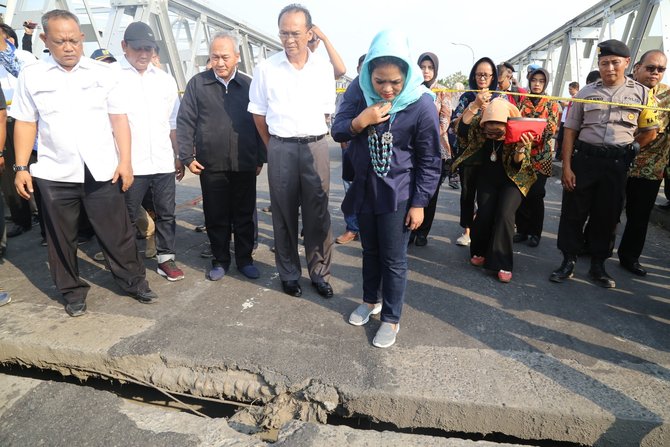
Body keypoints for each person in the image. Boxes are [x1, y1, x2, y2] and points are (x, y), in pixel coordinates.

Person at [11, 9, 158, 317]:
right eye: (60, 41)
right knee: (60, 239)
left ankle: (133, 281)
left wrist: (126, 162)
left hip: (102, 169)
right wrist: (21, 167)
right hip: (54, 171)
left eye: (74, 40)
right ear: (44, 40)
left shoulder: (103, 73)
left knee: (118, 232)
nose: (69, 47)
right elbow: (25, 122)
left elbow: (119, 120)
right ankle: (71, 291)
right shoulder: (32, 75)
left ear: (82, 38)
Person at [332, 29, 441, 348]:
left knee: (394, 258)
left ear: (407, 73)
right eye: (380, 81)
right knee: (370, 251)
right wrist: (360, 121)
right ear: (369, 75)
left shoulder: (421, 104)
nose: (388, 89)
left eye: (395, 81)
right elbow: (338, 130)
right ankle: (370, 300)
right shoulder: (358, 91)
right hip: (365, 187)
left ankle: (391, 319)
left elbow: (430, 159)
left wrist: (419, 202)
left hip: (399, 193)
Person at [550, 39, 659, 288]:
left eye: (614, 63)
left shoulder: (642, 94)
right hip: (585, 160)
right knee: (573, 213)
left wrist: (631, 148)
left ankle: (598, 266)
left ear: (627, 63)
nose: (609, 68)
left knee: (607, 216)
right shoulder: (585, 93)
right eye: (604, 63)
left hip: (616, 165)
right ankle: (568, 260)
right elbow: (569, 131)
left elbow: (650, 130)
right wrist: (567, 166)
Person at [248, 4, 336, 299]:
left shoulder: (323, 68)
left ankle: (320, 273)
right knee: (284, 214)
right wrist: (271, 145)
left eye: (295, 33)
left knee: (318, 214)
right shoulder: (266, 69)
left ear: (309, 33)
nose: (289, 39)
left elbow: (326, 111)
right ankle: (288, 273)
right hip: (281, 147)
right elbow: (258, 113)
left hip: (315, 146)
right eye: (284, 33)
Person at [179, 32, 265, 281]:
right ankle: (220, 259)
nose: (220, 62)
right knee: (215, 215)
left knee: (244, 214)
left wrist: (259, 157)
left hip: (244, 162)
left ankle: (245, 259)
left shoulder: (249, 85)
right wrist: (186, 155)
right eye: (214, 57)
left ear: (237, 57)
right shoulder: (198, 84)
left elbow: (261, 122)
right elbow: (185, 121)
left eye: (225, 57)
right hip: (211, 163)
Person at [118, 21, 185, 281]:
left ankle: (165, 259)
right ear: (125, 47)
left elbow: (173, 123)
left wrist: (178, 155)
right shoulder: (113, 77)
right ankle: (127, 263)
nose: (143, 54)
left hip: (162, 161)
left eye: (149, 48)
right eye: (138, 48)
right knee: (126, 214)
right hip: (130, 163)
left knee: (166, 212)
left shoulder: (165, 80)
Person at [453, 98, 535, 283]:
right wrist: (474, 106)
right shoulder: (480, 130)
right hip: (487, 178)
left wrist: (520, 148)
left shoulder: (521, 131)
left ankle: (503, 262)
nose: (492, 128)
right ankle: (480, 251)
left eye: (498, 125)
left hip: (514, 179)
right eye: (488, 123)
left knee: (505, 214)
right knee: (484, 213)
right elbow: (461, 129)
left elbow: (518, 164)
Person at [617, 50, 668, 276]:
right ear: (637, 67)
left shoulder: (668, 97)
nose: (655, 73)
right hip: (617, 163)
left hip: (650, 169)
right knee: (606, 211)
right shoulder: (620, 90)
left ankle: (630, 257)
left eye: (661, 69)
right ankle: (594, 247)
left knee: (639, 218)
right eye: (650, 68)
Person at [451, 57, 499, 247]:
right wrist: (475, 106)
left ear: (493, 77)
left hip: (491, 156)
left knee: (487, 197)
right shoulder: (467, 97)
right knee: (467, 195)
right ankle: (467, 230)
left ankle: (484, 231)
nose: (482, 78)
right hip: (468, 156)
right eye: (479, 74)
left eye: (486, 75)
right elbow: (456, 125)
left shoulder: (499, 98)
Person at [408, 52, 451, 247]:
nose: (426, 71)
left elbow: (445, 119)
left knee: (430, 192)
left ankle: (424, 231)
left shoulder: (442, 91)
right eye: (423, 67)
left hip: (436, 148)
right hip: (411, 148)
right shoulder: (411, 88)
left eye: (430, 67)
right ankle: (409, 229)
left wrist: (425, 133)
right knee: (410, 189)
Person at [513, 68, 560, 248]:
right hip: (522, 154)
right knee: (521, 193)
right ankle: (522, 230)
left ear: (545, 83)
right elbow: (515, 122)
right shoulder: (522, 102)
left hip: (542, 157)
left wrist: (530, 134)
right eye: (534, 80)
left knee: (536, 195)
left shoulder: (551, 104)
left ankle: (535, 232)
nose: (537, 84)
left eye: (541, 81)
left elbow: (551, 130)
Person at [0, 24, 38, 239]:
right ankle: (21, 219)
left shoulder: (24, 58)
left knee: (33, 168)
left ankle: (43, 214)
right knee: (7, 175)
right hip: (3, 122)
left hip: (25, 120)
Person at [335, 53, 365, 245]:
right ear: (358, 69)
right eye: (364, 67)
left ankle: (369, 228)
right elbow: (339, 121)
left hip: (375, 151)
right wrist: (345, 140)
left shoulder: (383, 89)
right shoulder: (351, 90)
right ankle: (352, 228)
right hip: (351, 147)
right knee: (351, 191)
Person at [555, 81, 579, 160]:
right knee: (560, 139)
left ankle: (562, 156)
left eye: (571, 89)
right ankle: (559, 156)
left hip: (569, 122)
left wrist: (562, 103)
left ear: (576, 89)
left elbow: (567, 104)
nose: (569, 91)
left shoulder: (577, 98)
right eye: (569, 89)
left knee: (565, 140)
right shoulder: (571, 98)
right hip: (564, 120)